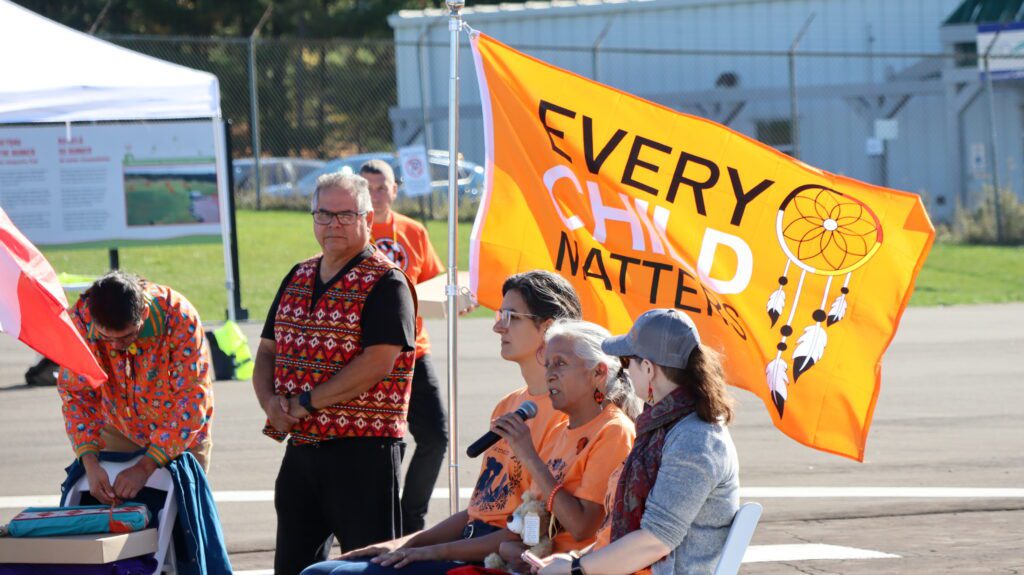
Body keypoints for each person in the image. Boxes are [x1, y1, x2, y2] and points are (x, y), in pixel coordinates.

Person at [301, 270, 582, 575]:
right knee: (319, 571)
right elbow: (478, 512)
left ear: (548, 327)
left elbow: (532, 530)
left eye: (511, 316)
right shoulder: (509, 404)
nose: (497, 325)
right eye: (500, 314)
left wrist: (429, 552)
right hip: (471, 543)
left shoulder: (564, 417)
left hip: (498, 559)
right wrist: (403, 544)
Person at [252, 172, 417, 575]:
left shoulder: (386, 281)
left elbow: (378, 362)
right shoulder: (298, 274)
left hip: (362, 453)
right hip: (302, 451)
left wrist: (306, 403)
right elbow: (267, 351)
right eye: (324, 215)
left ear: (367, 219)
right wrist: (271, 404)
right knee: (292, 566)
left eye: (346, 215)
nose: (333, 225)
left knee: (367, 566)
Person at [538, 309, 739, 575]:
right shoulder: (666, 426)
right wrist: (575, 558)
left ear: (648, 368)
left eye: (626, 362)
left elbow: (655, 541)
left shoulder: (696, 440)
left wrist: (576, 568)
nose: (624, 371)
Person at [492, 319, 640, 572]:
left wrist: (529, 457)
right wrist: (512, 548)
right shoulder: (561, 431)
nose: (549, 374)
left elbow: (582, 527)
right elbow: (533, 518)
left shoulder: (614, 431)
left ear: (598, 373)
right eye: (547, 364)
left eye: (560, 363)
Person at [57, 271, 214, 504]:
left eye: (127, 336)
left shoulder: (179, 317)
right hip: (117, 426)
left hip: (179, 432)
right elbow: (77, 395)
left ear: (145, 313)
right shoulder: (79, 321)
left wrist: (145, 467)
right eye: (106, 338)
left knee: (185, 517)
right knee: (113, 514)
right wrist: (89, 462)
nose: (116, 346)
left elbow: (191, 400)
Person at [361, 159, 448, 534]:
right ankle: (378, 519)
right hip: (367, 354)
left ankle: (411, 516)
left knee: (435, 437)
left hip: (414, 351)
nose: (376, 195)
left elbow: (433, 281)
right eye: (367, 187)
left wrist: (455, 295)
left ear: (395, 189)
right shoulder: (351, 230)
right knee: (381, 443)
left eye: (382, 187)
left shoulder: (413, 231)